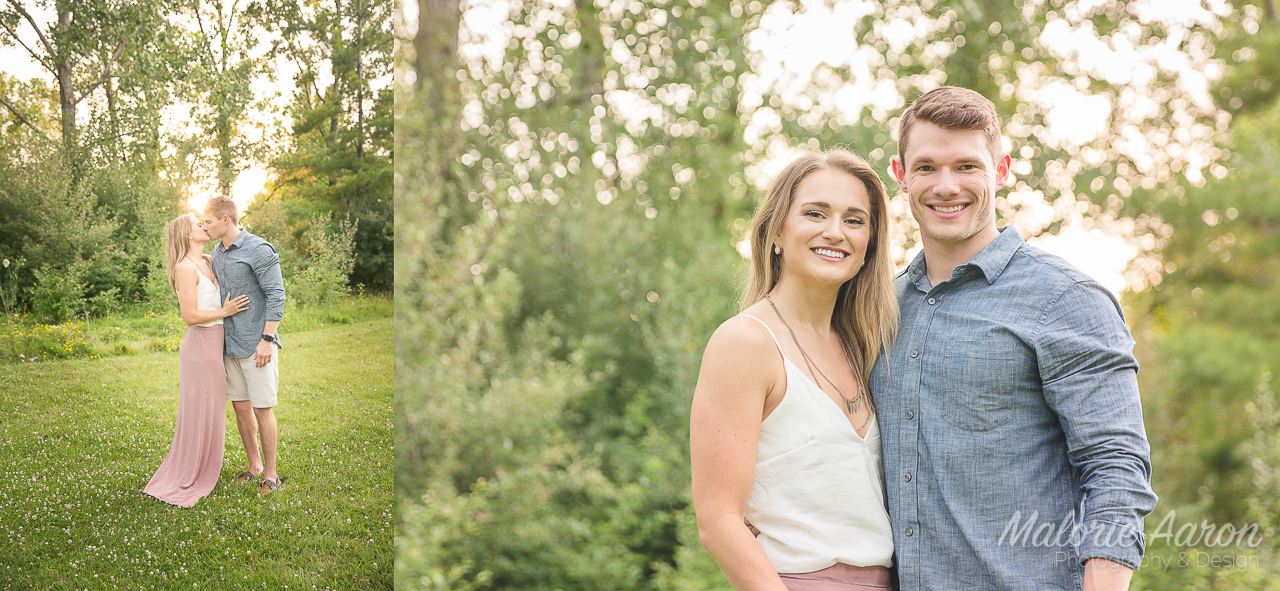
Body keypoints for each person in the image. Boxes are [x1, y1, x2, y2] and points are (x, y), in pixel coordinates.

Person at [872, 86, 1158, 590]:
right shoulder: (883, 308)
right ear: (900, 176)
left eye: (967, 166)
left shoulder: (1066, 299)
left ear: (1001, 170)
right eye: (926, 167)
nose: (946, 185)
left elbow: (1117, 471)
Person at [691, 149, 900, 590]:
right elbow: (718, 520)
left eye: (855, 219)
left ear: (869, 246)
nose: (835, 232)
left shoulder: (868, 349)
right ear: (776, 232)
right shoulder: (745, 342)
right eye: (815, 213)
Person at [144, 214, 249, 507]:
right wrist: (225, 312)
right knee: (202, 408)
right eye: (197, 225)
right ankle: (191, 471)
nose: (204, 227)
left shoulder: (208, 260)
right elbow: (189, 316)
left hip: (216, 344)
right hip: (200, 344)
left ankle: (204, 464)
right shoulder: (184, 268)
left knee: (213, 408)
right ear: (187, 235)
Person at [202, 197, 288, 494]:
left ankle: (272, 475)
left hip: (256, 346)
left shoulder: (259, 249)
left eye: (209, 222)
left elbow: (277, 296)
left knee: (263, 408)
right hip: (229, 346)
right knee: (240, 407)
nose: (205, 226)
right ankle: (255, 467)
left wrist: (267, 340)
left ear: (226, 219)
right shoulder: (216, 252)